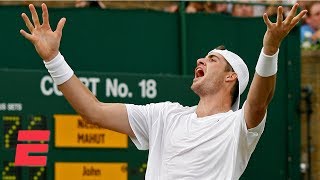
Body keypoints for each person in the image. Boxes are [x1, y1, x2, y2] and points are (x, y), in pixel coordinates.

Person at [19, 3, 306, 179]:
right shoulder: (165, 115)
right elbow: (93, 111)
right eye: (203, 57)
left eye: (212, 59)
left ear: (232, 78)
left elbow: (259, 102)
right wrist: (53, 59)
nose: (200, 60)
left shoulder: (238, 126)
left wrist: (270, 49)